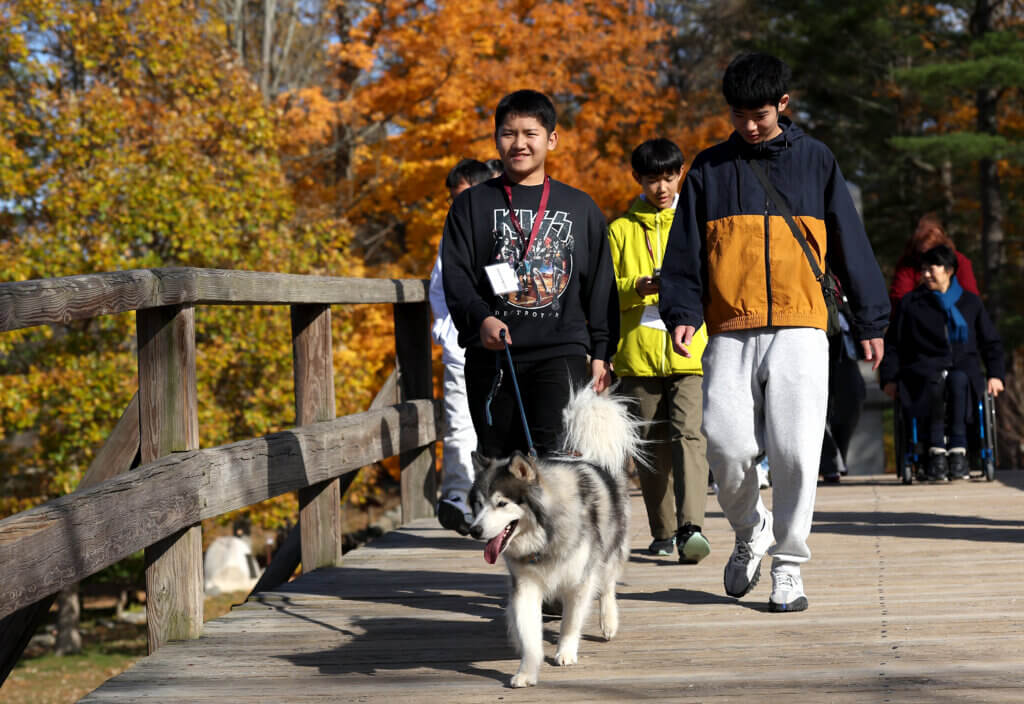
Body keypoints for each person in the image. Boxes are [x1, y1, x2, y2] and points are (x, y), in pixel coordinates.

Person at [659, 53, 890, 612]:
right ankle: (750, 528)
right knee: (726, 443)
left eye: (759, 114)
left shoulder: (816, 160)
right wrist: (682, 311)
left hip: (802, 324)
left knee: (794, 450)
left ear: (783, 105)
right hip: (731, 326)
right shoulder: (709, 170)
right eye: (738, 115)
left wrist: (871, 318)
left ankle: (788, 565)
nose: (750, 125)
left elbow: (850, 242)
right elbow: (684, 251)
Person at [442, 89, 618, 460]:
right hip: (492, 357)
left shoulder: (579, 207)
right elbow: (456, 275)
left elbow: (600, 284)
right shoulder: (470, 205)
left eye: (530, 133)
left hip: (560, 352)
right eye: (508, 133)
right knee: (500, 469)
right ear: (496, 138)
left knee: (555, 468)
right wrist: (481, 319)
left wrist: (602, 350)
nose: (519, 143)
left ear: (551, 139)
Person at [608, 138, 712, 563]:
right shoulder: (618, 230)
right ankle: (663, 530)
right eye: (652, 179)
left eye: (669, 177)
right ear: (638, 180)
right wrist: (637, 287)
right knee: (650, 444)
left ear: (681, 173)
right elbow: (603, 294)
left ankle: (692, 527)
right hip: (636, 352)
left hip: (688, 349)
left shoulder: (696, 224)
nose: (662, 187)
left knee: (689, 434)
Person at [880, 245, 1005, 481]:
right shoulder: (911, 303)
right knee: (934, 380)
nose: (926, 274)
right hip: (922, 369)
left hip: (964, 369)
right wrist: (889, 378)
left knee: (958, 379)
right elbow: (894, 345)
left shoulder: (971, 303)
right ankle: (935, 451)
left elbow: (991, 342)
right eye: (923, 269)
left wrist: (996, 375)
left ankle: (959, 451)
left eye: (932, 269)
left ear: (948, 271)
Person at [429, 159, 499, 534]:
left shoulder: (504, 226)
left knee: (496, 431)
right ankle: (457, 498)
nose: (459, 204)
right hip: (461, 348)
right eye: (454, 198)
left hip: (505, 350)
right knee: (459, 426)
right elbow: (439, 286)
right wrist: (445, 331)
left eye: (465, 196)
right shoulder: (451, 234)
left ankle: (492, 502)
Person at [889, 213, 979, 310]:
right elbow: (899, 298)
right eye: (923, 254)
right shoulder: (908, 262)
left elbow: (971, 299)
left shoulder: (960, 261)